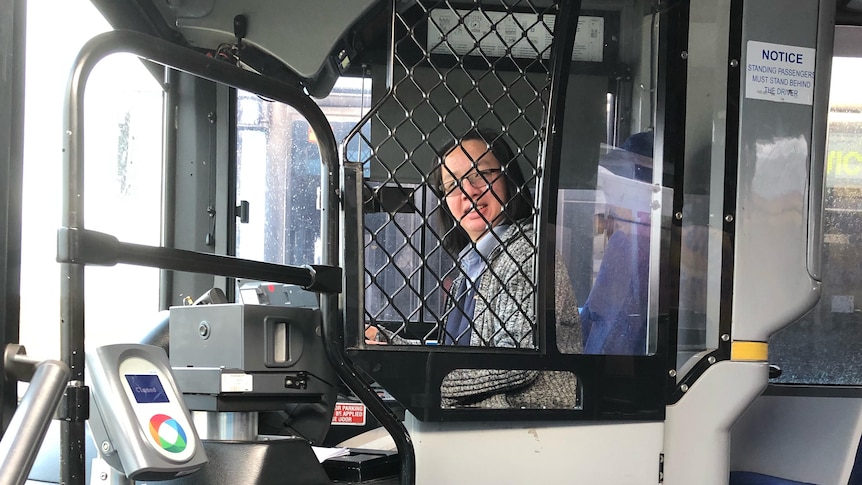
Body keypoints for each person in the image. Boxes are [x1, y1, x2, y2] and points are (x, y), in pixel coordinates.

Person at [427, 129, 583, 409]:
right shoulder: (472, 264)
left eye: (481, 175)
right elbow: (455, 356)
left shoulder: (529, 255)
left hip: (527, 432)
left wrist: (429, 378)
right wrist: (390, 346)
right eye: (452, 185)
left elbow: (516, 361)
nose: (468, 192)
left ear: (508, 179)